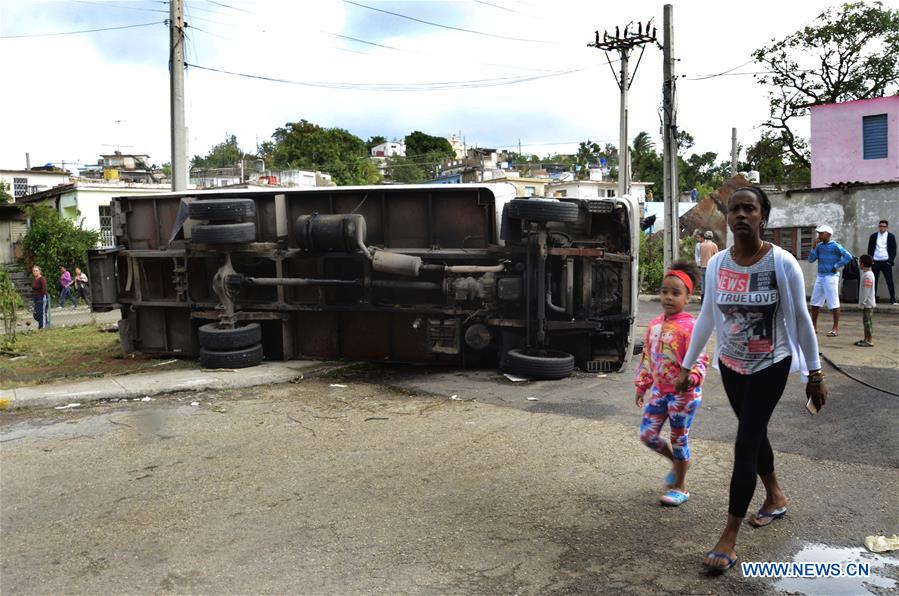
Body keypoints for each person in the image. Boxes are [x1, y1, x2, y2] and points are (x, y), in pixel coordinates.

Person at [675, 186, 827, 572]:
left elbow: (801, 320)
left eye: (750, 208)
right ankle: (776, 496)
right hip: (731, 365)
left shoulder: (782, 263)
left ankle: (728, 536)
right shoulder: (717, 264)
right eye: (735, 209)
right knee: (754, 433)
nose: (741, 214)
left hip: (770, 364)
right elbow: (707, 317)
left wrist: (814, 372)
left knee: (745, 444)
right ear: (727, 218)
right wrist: (686, 366)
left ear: (763, 217)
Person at [634, 261, 709, 506]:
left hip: (684, 396)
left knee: (679, 439)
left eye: (675, 293)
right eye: (664, 291)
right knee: (647, 435)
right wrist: (642, 385)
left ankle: (681, 487)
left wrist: (691, 379)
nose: (668, 297)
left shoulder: (691, 327)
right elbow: (648, 356)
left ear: (688, 297)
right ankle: (678, 465)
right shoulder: (654, 325)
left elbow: (700, 359)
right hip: (659, 392)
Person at [808, 224, 853, 337]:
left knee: (833, 302)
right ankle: (813, 327)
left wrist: (837, 265)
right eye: (819, 233)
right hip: (820, 276)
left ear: (828, 234)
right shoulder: (819, 246)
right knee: (815, 302)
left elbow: (848, 256)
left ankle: (835, 328)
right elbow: (811, 259)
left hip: (831, 276)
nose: (819, 235)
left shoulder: (835, 246)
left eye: (821, 233)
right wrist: (813, 247)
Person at [867, 220, 896, 305]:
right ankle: (872, 299)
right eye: (880, 226)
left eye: (883, 226)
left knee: (889, 281)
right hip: (875, 261)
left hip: (886, 262)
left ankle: (893, 299)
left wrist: (890, 261)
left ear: (887, 227)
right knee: (874, 281)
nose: (881, 228)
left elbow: (894, 249)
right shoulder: (873, 236)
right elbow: (870, 249)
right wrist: (871, 260)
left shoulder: (891, 236)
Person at [855, 254, 876, 347]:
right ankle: (866, 338)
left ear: (862, 264)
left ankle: (869, 340)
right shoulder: (867, 274)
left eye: (859, 263)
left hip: (867, 304)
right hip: (867, 303)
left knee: (867, 322)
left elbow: (866, 291)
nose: (859, 264)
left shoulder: (868, 276)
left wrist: (862, 302)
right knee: (865, 321)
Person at [699, 231, 719, 303]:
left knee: (703, 285)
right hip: (710, 268)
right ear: (712, 237)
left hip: (702, 267)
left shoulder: (701, 245)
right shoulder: (713, 245)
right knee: (711, 284)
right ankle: (710, 300)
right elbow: (717, 256)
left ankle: (702, 300)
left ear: (705, 237)